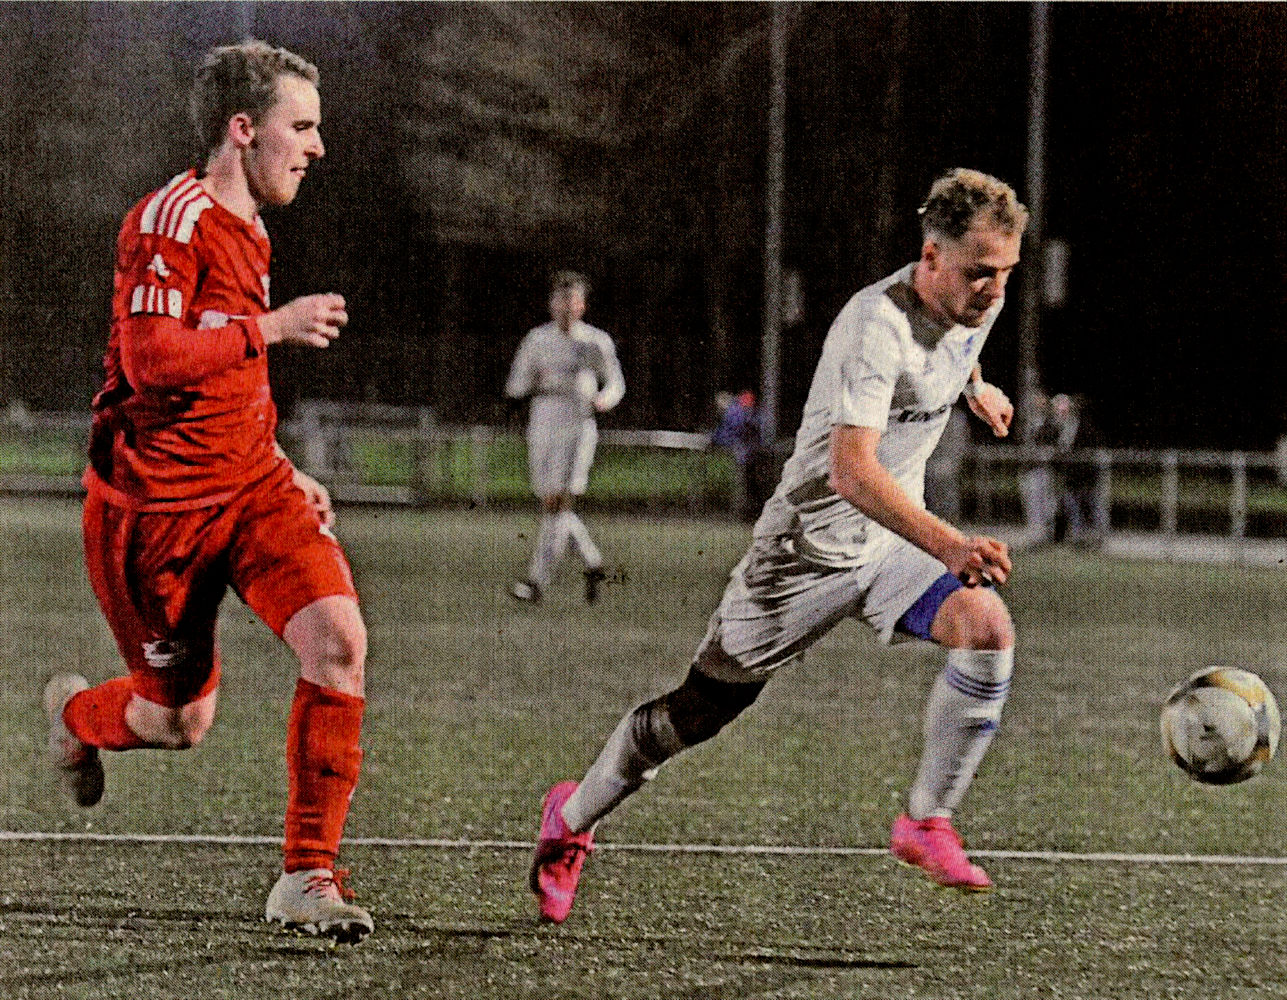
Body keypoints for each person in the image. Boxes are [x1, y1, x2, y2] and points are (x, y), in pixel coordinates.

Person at [529, 168, 1027, 923]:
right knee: (691, 718)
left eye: (1004, 274)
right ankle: (569, 820)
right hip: (803, 554)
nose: (992, 291)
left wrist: (973, 387)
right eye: (979, 274)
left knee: (987, 629)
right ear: (929, 258)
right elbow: (851, 472)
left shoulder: (970, 301)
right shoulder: (873, 327)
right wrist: (951, 542)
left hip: (888, 544)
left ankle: (925, 820)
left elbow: (951, 351)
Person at [43, 40, 374, 943]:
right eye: (300, 127)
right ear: (242, 130)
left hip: (251, 486)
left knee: (338, 642)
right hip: (152, 516)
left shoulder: (252, 229)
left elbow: (225, 372)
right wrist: (273, 326)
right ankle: (76, 716)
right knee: (175, 721)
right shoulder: (168, 222)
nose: (314, 148)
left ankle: (307, 879)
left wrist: (278, 458)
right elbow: (153, 363)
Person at [505, 271, 625, 604]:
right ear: (551, 304)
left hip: (577, 423)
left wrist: (604, 398)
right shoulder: (537, 340)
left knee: (559, 501)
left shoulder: (594, 341)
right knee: (551, 504)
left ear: (582, 305)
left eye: (572, 300)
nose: (565, 307)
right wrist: (536, 382)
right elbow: (515, 384)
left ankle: (536, 582)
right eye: (560, 300)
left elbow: (615, 382)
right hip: (543, 420)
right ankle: (593, 562)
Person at [711, 389, 770, 522]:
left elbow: (730, 432)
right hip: (750, 454)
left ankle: (746, 514)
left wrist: (715, 439)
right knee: (752, 487)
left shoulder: (735, 412)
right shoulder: (749, 413)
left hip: (747, 455)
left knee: (748, 487)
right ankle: (751, 513)